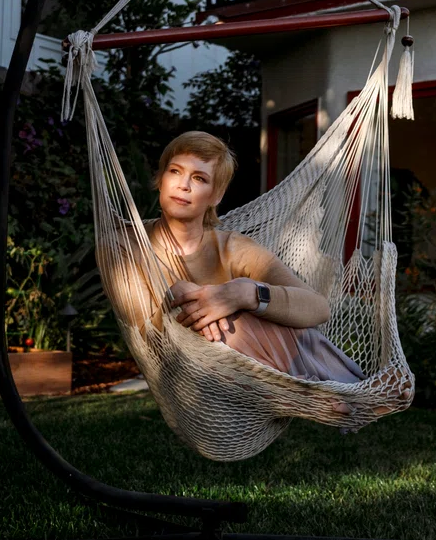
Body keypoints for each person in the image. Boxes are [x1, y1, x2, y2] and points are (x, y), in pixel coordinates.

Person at [112, 130, 367, 390]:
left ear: (216, 196)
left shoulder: (232, 246)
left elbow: (317, 308)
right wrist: (176, 295)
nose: (183, 185)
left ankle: (323, 389)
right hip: (193, 372)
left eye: (199, 178)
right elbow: (145, 326)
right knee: (235, 324)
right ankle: (338, 388)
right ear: (160, 178)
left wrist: (246, 294)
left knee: (260, 309)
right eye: (175, 171)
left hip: (249, 373)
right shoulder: (124, 245)